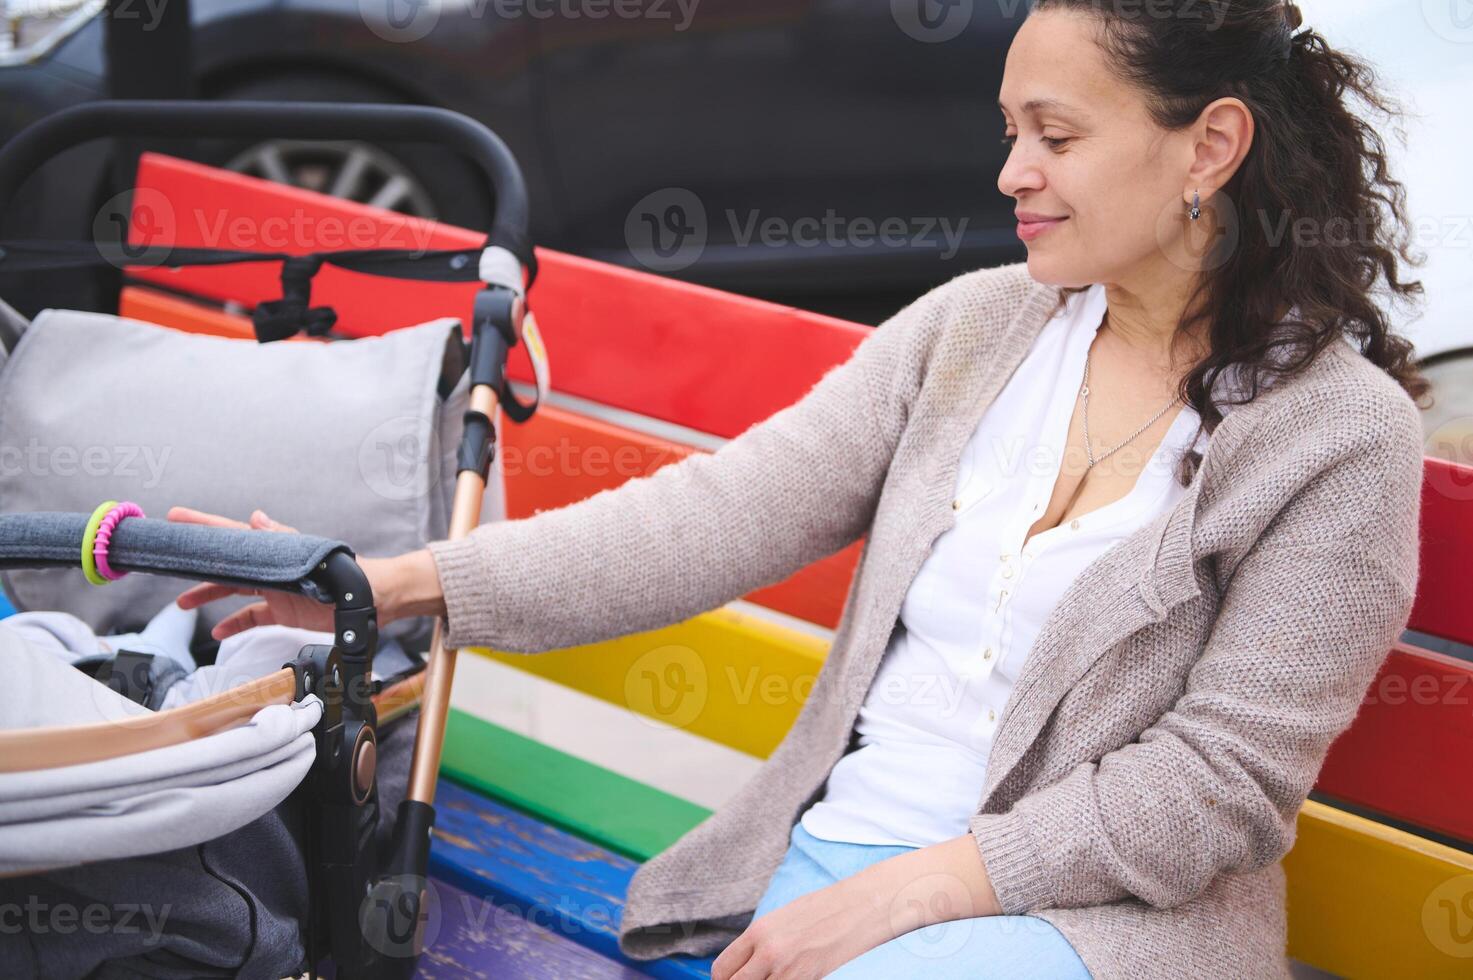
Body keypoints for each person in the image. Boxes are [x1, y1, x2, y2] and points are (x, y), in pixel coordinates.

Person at [170, 2, 1432, 976]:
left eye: (1058, 135)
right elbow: (710, 517)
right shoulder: (976, 331)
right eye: (1010, 132)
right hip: (834, 865)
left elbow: (1218, 782)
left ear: (1209, 144)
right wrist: (383, 585)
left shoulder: (1337, 438)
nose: (1011, 173)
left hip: (1093, 925)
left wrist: (919, 888)